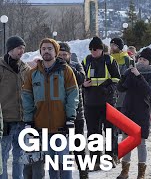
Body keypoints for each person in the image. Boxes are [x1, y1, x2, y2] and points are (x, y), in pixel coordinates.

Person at [22, 38, 79, 179]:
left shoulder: (66, 71)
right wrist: (29, 121)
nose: (46, 51)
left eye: (49, 49)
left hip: (62, 126)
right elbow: (27, 98)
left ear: (56, 51)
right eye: (44, 49)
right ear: (40, 51)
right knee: (51, 164)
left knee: (64, 163)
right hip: (42, 127)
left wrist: (70, 118)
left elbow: (73, 95)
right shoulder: (32, 73)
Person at [116, 47, 151, 179]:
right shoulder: (132, 72)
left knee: (141, 142)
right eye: (139, 58)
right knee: (126, 140)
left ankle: (141, 173)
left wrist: (139, 76)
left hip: (142, 111)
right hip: (128, 110)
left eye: (144, 60)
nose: (140, 61)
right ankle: (124, 171)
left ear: (150, 62)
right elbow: (121, 88)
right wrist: (124, 76)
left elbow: (148, 91)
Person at [82, 36, 120, 170]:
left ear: (101, 49)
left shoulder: (109, 60)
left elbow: (116, 79)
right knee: (93, 133)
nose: (93, 51)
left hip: (107, 101)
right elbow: (81, 79)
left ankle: (111, 157)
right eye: (91, 49)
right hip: (90, 102)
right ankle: (95, 159)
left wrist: (107, 88)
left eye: (96, 49)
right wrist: (84, 85)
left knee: (110, 131)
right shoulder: (86, 60)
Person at [0, 36, 30, 179]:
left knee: (20, 158)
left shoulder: (25, 68)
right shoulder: (0, 67)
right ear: (10, 49)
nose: (22, 51)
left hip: (21, 120)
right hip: (5, 120)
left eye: (23, 48)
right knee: (3, 157)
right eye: (19, 48)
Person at [58, 42, 88, 178]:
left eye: (65, 55)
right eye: (60, 55)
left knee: (78, 145)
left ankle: (83, 172)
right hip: (59, 113)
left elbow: (81, 78)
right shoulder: (53, 67)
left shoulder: (76, 65)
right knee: (63, 147)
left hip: (77, 113)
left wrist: (67, 67)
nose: (62, 57)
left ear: (69, 55)